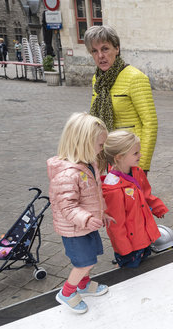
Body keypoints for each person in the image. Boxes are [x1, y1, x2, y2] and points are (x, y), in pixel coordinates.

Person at [47, 113, 115, 314]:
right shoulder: (68, 174)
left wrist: (101, 213)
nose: (102, 149)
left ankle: (83, 285)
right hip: (74, 229)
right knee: (85, 261)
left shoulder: (89, 166)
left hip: (86, 225)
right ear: (83, 143)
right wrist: (86, 218)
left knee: (90, 256)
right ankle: (67, 292)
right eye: (100, 145)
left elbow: (95, 193)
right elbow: (66, 207)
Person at [84, 25, 158, 174]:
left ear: (116, 49)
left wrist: (141, 166)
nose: (100, 56)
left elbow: (150, 123)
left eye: (105, 49)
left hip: (129, 157)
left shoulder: (135, 78)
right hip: (106, 155)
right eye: (94, 51)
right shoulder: (97, 79)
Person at [102, 130, 168, 268]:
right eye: (135, 153)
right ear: (119, 157)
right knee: (131, 272)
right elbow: (116, 224)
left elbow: (146, 194)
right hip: (130, 246)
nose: (140, 155)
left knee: (145, 267)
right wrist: (124, 249)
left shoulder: (136, 172)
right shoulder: (113, 188)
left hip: (144, 236)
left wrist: (157, 207)